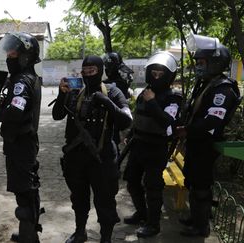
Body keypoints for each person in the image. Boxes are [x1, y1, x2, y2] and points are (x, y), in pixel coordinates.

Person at [52, 55, 133, 243]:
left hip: (102, 158)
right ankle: (80, 232)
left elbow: (126, 121)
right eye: (84, 71)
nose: (88, 74)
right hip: (76, 158)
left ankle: (105, 238)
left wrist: (106, 102)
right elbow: (57, 115)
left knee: (105, 201)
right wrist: (62, 93)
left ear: (100, 71)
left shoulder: (113, 91)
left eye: (92, 71)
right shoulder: (75, 91)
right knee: (79, 199)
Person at [177, 34, 241, 237]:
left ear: (215, 63)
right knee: (193, 181)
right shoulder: (207, 83)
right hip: (196, 142)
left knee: (201, 185)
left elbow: (212, 121)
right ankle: (196, 217)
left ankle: (201, 226)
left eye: (202, 63)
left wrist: (187, 130)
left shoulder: (223, 88)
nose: (198, 66)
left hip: (205, 143)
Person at [0, 32, 42, 243]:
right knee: (27, 188)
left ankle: (29, 236)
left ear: (25, 56)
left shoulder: (21, 81)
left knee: (25, 190)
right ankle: (29, 232)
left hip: (22, 143)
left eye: (12, 53)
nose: (9, 57)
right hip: (22, 142)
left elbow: (15, 112)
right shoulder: (26, 78)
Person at [122, 51, 182, 237]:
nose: (156, 77)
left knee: (153, 187)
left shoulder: (173, 98)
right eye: (153, 73)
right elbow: (139, 116)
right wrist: (131, 133)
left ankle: (153, 224)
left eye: (160, 74)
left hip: (156, 148)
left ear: (168, 76)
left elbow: (168, 122)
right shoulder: (144, 93)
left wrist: (153, 102)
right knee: (131, 180)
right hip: (138, 144)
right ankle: (142, 213)